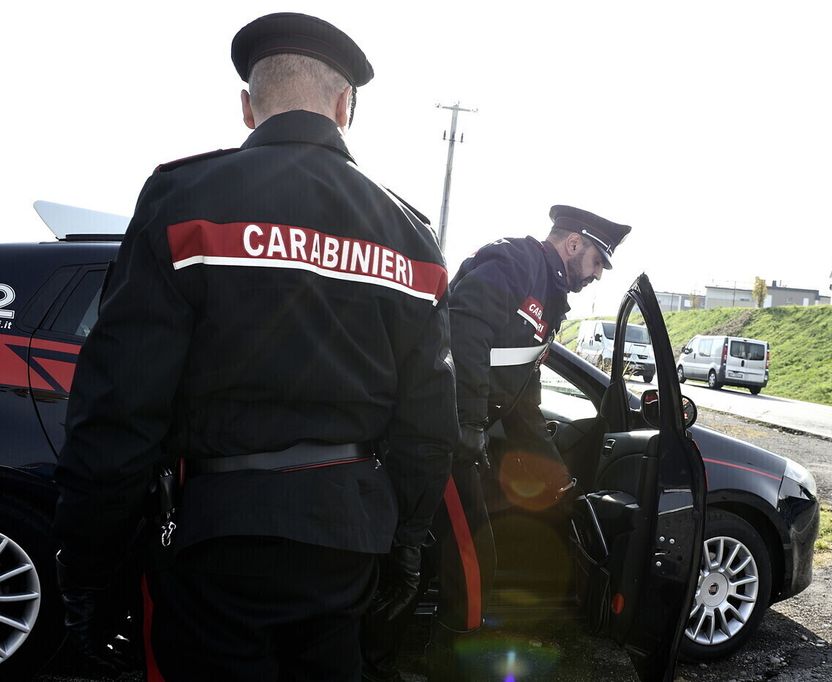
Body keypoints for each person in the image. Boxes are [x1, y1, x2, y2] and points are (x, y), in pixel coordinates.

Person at [51, 12, 458, 682]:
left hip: (217, 543)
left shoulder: (183, 201)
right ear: (343, 107)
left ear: (248, 107)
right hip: (348, 540)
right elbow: (428, 421)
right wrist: (407, 544)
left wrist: (89, 568)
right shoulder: (408, 235)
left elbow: (118, 404)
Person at [362, 205, 631, 681]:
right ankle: (437, 663)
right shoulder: (515, 263)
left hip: (458, 436)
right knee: (468, 557)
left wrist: (559, 474)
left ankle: (391, 658)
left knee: (425, 557)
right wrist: (467, 424)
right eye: (595, 262)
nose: (595, 275)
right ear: (574, 244)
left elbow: (524, 396)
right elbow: (463, 331)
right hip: (436, 432)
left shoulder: (548, 296)